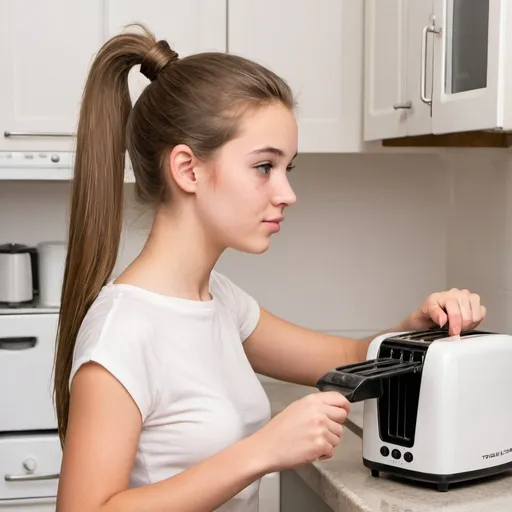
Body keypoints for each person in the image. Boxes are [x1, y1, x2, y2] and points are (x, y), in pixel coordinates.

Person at [53, 24, 487, 512]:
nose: (287, 193)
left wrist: (413, 331)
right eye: (264, 166)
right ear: (187, 169)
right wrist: (262, 451)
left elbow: (343, 355)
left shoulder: (220, 301)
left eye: (287, 169)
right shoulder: (122, 333)